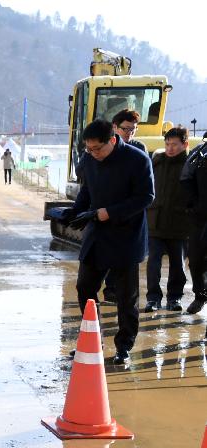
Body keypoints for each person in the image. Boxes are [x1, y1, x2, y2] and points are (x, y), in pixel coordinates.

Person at [61, 119, 154, 366]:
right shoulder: (91, 160)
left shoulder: (137, 159)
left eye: (97, 149)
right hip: (97, 234)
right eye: (89, 150)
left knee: (125, 297)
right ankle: (93, 341)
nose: (93, 154)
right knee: (85, 288)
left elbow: (146, 196)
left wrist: (109, 212)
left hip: (126, 236)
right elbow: (87, 191)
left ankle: (123, 346)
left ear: (112, 140)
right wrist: (75, 212)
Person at [102, 109, 149, 303]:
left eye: (133, 129)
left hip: (131, 211)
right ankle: (109, 288)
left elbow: (146, 186)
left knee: (127, 256)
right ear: (115, 127)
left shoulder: (139, 150)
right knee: (108, 252)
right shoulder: (104, 147)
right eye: (126, 129)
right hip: (107, 210)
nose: (130, 133)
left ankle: (120, 292)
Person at [144, 127, 190, 312]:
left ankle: (174, 298)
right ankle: (153, 298)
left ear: (185, 144)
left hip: (180, 224)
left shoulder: (190, 164)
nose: (170, 148)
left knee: (177, 265)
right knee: (153, 263)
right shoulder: (157, 162)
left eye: (175, 145)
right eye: (167, 144)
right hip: (155, 221)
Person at [181, 135, 207, 314]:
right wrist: (194, 206)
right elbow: (185, 179)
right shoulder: (199, 153)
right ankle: (200, 295)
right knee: (196, 259)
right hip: (200, 217)